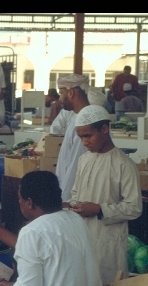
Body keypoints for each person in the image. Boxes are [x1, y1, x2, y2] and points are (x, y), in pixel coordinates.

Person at [65, 104, 143, 285]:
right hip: (82, 236)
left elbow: (134, 208)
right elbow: (76, 193)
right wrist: (69, 205)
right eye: (81, 137)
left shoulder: (124, 165)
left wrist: (99, 209)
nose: (84, 142)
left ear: (104, 129)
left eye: (88, 136)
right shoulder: (84, 160)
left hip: (108, 242)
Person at [54, 74, 91, 202]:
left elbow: (75, 166)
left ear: (71, 93)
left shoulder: (85, 121)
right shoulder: (75, 117)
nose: (59, 99)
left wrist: (64, 200)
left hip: (72, 198)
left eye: (61, 93)